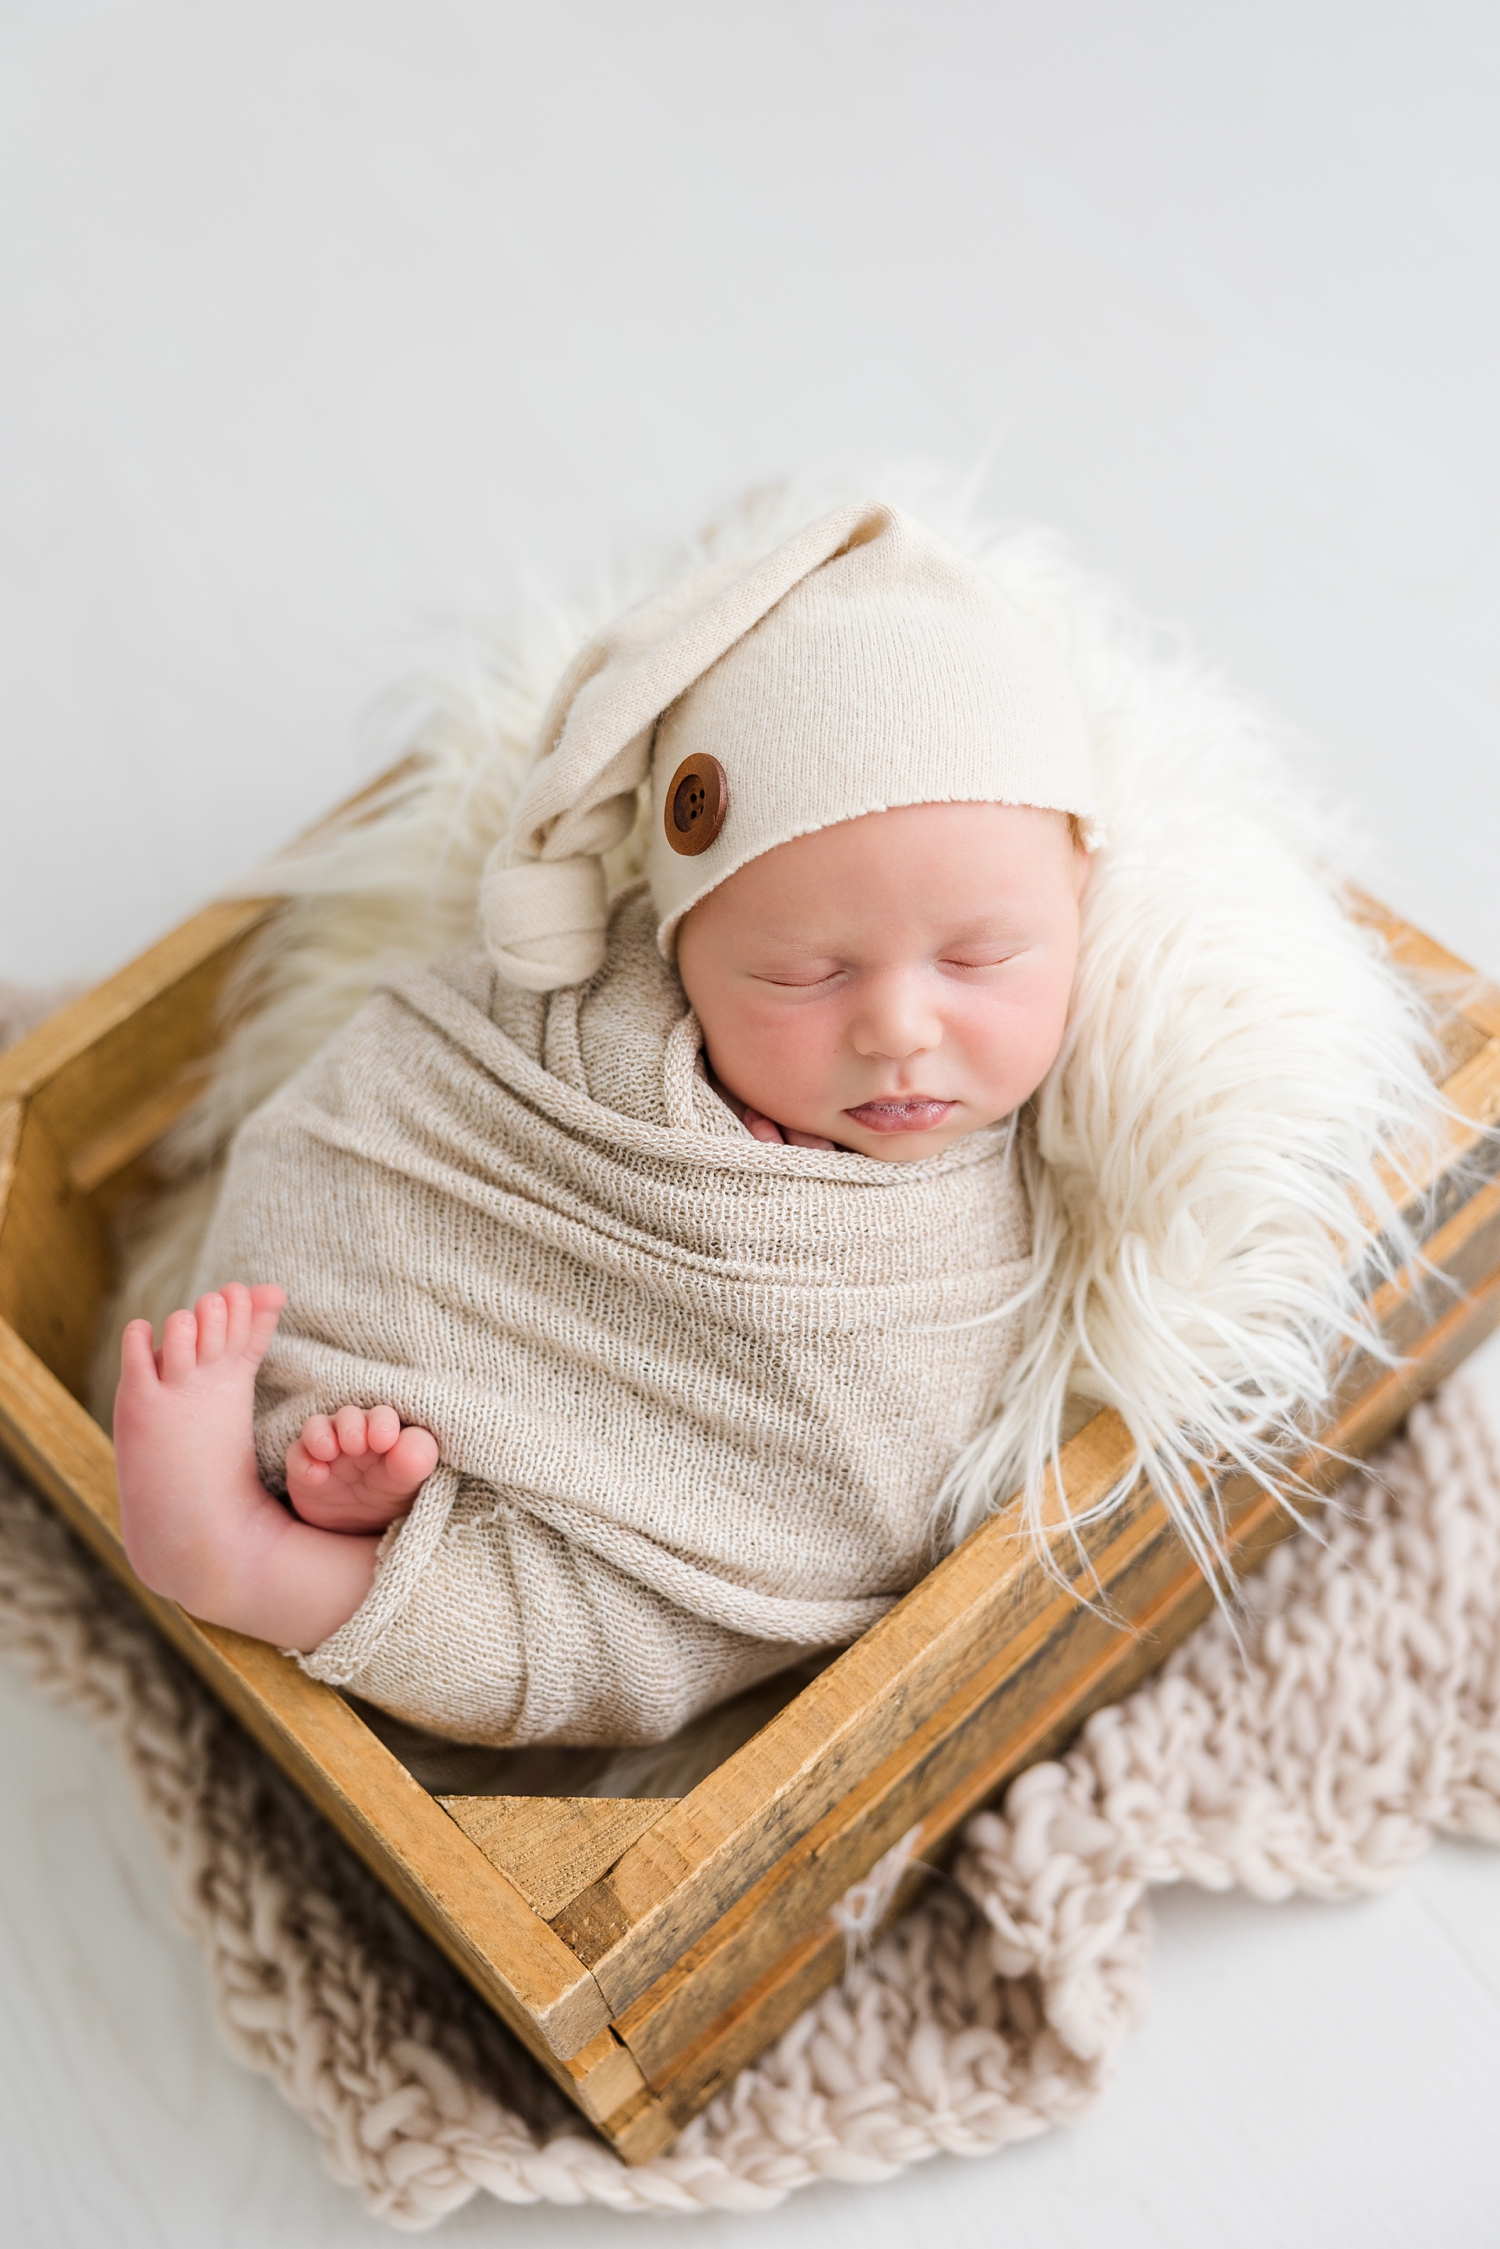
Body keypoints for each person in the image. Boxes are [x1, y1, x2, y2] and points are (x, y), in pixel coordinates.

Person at [112, 501, 1102, 1747]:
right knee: (314, 1255)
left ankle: (251, 1557)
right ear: (678, 932)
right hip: (420, 1293)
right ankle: (329, 1484)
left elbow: (880, 1481)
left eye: (982, 957)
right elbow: (404, 1090)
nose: (899, 1027)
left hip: (679, 1545)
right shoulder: (594, 1014)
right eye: (802, 973)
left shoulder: (1005, 1203)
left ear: (1078, 903)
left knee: (555, 1639)